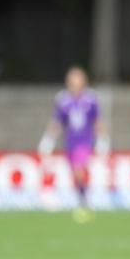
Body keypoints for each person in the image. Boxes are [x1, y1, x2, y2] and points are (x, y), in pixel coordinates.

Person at [37, 66, 110, 222]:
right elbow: (57, 122)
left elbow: (97, 121)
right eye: (72, 81)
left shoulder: (91, 99)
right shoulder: (63, 100)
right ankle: (82, 199)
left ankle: (83, 202)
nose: (75, 84)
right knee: (75, 173)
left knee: (79, 169)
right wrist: (49, 139)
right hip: (70, 142)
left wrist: (103, 139)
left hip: (85, 141)